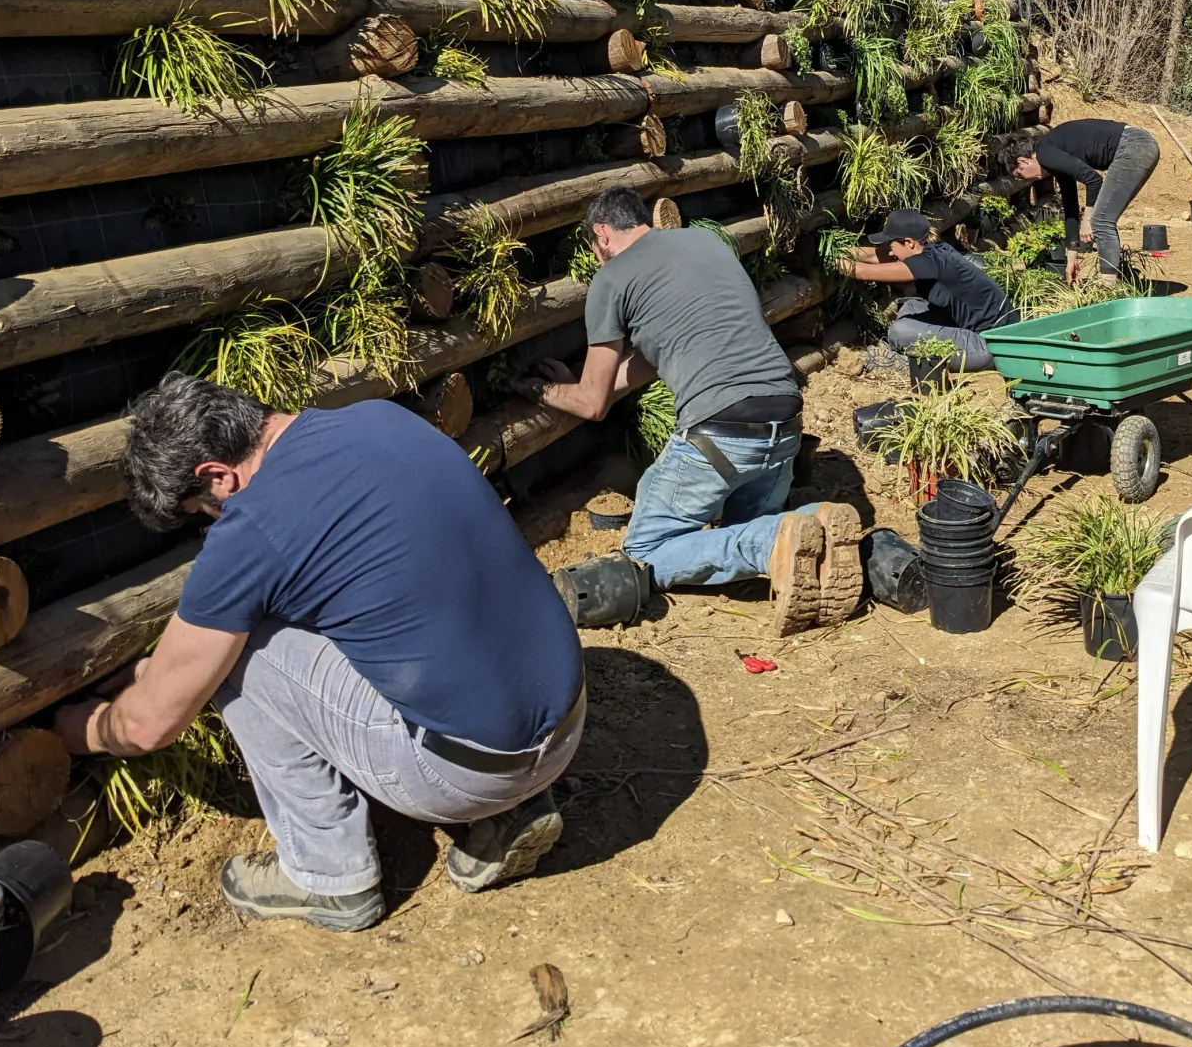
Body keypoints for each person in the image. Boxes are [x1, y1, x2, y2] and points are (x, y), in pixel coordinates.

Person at [52, 376, 585, 934]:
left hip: (466, 775)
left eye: (199, 512)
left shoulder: (250, 528)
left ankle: (327, 875)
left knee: (236, 649)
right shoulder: (380, 417)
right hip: (565, 723)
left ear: (216, 476)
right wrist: (151, 672)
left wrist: (74, 728)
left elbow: (145, 726)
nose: (210, 525)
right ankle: (513, 812)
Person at [519, 186, 862, 635]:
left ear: (601, 234)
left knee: (644, 555)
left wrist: (542, 390)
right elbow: (653, 355)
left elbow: (592, 404)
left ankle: (772, 540)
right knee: (740, 530)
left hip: (721, 436)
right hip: (784, 424)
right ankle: (805, 522)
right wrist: (585, 382)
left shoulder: (612, 278)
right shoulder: (705, 242)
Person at [837, 208, 1020, 365]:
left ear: (909, 242)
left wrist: (832, 261)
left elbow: (863, 272)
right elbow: (876, 256)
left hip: (992, 345)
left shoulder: (927, 265)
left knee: (899, 331)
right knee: (909, 306)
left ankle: (907, 362)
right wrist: (843, 251)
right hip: (998, 327)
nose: (890, 251)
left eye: (891, 244)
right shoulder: (934, 248)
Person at [1012, 119, 1160, 281]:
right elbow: (1071, 207)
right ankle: (1112, 282)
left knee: (1101, 220)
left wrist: (1087, 219)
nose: (1025, 180)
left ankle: (1108, 289)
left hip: (1133, 147)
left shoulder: (1044, 153)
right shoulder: (1053, 152)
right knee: (1103, 219)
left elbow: (1093, 180)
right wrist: (1071, 257)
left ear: (1023, 161)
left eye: (1020, 175)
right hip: (1139, 145)